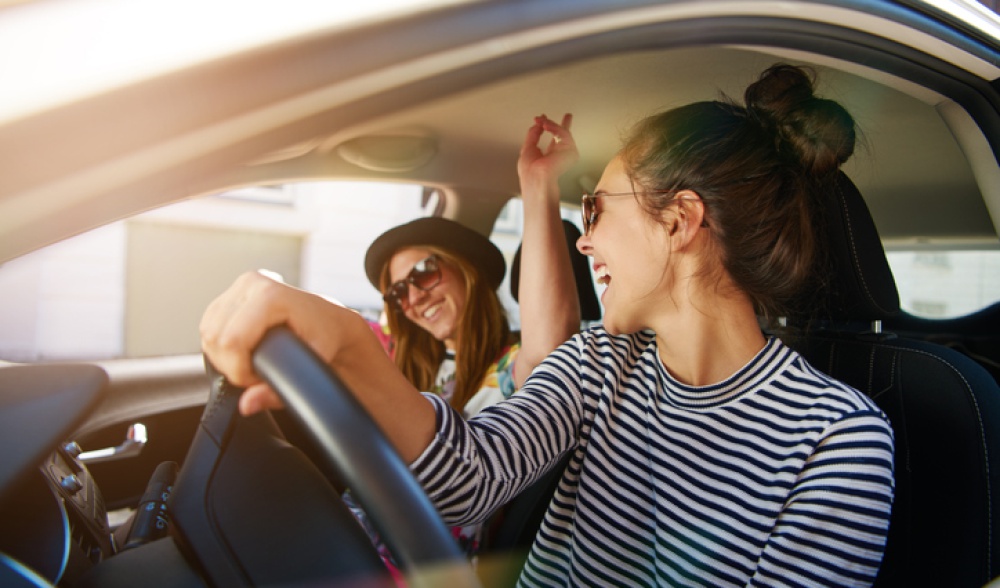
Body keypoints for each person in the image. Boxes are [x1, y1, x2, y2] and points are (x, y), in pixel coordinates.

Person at [201, 64, 895, 586]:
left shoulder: (838, 441)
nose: (584, 240)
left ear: (679, 221)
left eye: (595, 211)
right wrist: (350, 347)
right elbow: (470, 479)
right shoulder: (600, 361)